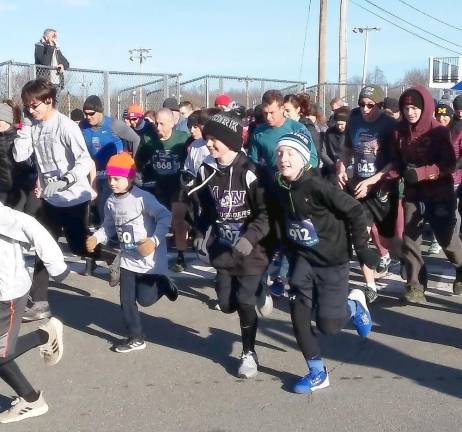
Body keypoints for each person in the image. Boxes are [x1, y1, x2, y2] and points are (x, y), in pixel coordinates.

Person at [273, 132, 377, 394]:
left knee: (329, 326)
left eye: (290, 154)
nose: (284, 159)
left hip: (332, 261)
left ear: (305, 158)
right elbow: (281, 222)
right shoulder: (279, 186)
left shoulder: (319, 186)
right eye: (280, 153)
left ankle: (354, 305)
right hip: (303, 261)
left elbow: (355, 210)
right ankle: (317, 372)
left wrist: (362, 249)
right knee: (298, 315)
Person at [187, 112, 273, 378]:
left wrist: (249, 238)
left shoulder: (251, 172)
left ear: (231, 142)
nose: (209, 144)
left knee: (245, 301)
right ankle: (259, 290)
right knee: (226, 305)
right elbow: (206, 209)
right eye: (207, 138)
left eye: (215, 140)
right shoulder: (205, 169)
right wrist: (200, 232)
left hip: (252, 250)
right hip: (223, 249)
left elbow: (266, 213)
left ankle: (249, 353)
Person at [13, 79, 94, 321]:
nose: (30, 110)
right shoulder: (33, 125)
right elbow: (20, 155)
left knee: (80, 246)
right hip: (50, 200)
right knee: (43, 246)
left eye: (34, 105)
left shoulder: (66, 126)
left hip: (74, 197)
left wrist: (66, 180)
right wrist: (25, 129)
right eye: (27, 106)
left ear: (49, 101)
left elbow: (84, 160)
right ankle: (40, 303)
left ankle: (111, 257)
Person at [86, 152, 178, 353]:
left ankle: (163, 284)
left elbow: (165, 217)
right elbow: (109, 226)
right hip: (127, 258)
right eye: (110, 178)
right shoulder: (110, 201)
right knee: (126, 300)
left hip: (149, 259)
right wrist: (97, 237)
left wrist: (153, 241)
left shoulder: (143, 198)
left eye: (117, 179)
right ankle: (136, 337)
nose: (112, 183)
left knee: (145, 299)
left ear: (130, 178)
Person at [391, 86, 462, 302]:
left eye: (414, 108)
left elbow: (449, 164)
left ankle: (461, 268)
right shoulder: (399, 131)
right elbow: (396, 162)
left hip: (440, 193)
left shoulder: (439, 131)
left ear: (425, 108)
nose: (410, 112)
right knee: (411, 238)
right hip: (413, 193)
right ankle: (416, 284)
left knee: (447, 241)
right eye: (406, 108)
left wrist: (423, 173)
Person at [0, 202, 67, 423]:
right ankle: (31, 399)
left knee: (0, 353)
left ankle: (44, 336)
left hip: (6, 294)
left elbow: (31, 226)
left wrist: (57, 265)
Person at [248, 89, 317, 298]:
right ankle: (261, 276)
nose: (268, 118)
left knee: (292, 235)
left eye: (273, 113)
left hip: (294, 192)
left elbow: (312, 159)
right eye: (265, 113)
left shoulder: (297, 129)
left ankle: (285, 278)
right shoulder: (259, 133)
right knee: (270, 235)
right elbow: (252, 164)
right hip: (269, 192)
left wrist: (294, 175)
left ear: (282, 110)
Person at [337, 85, 399, 303]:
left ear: (380, 106)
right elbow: (346, 149)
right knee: (360, 235)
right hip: (359, 186)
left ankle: (396, 258)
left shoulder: (390, 125)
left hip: (382, 188)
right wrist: (342, 166)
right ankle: (370, 284)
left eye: (370, 105)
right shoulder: (354, 121)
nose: (364, 109)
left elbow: (395, 161)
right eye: (361, 104)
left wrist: (373, 182)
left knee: (390, 242)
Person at [135, 108, 190, 272]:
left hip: (177, 187)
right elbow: (139, 161)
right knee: (151, 221)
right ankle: (150, 252)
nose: (158, 128)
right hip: (156, 187)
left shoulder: (182, 139)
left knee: (179, 221)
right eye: (156, 123)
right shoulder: (148, 139)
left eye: (162, 124)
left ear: (172, 123)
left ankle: (181, 256)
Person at [80, 95, 140, 225]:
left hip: (113, 171)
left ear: (100, 111)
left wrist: (132, 162)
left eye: (91, 113)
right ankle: (107, 229)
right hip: (94, 170)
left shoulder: (114, 124)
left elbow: (135, 139)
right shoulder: (83, 126)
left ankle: (112, 231)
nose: (88, 117)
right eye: (85, 114)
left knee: (107, 202)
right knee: (96, 200)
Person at [322, 106, 350, 179]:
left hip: (349, 168)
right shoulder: (330, 132)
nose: (339, 127)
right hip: (332, 167)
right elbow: (323, 151)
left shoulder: (352, 133)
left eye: (342, 124)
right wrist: (332, 165)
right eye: (337, 124)